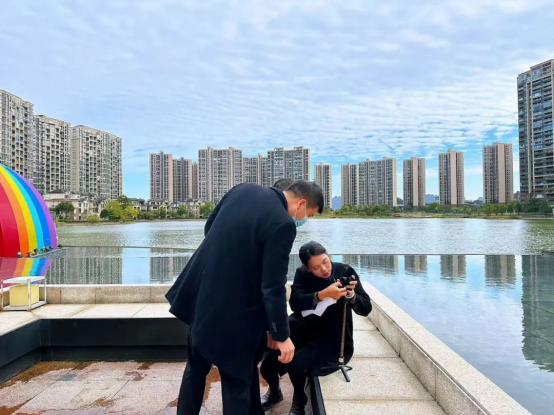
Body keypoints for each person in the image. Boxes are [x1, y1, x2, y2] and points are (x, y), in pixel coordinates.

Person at [166, 181, 324, 415]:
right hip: (234, 312)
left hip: (201, 293)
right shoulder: (283, 224)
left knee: (195, 369)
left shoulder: (243, 189)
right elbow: (273, 286)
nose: (302, 220)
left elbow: (210, 227)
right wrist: (281, 335)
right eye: (307, 215)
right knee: (236, 382)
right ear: (301, 203)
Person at [260, 241, 371, 415]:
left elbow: (366, 308)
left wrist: (351, 296)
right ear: (307, 268)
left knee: (296, 364)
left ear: (328, 255)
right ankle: (275, 392)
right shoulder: (302, 274)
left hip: (330, 338)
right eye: (316, 267)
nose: (324, 269)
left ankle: (299, 401)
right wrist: (322, 295)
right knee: (267, 366)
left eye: (325, 262)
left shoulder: (345, 271)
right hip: (302, 330)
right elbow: (295, 303)